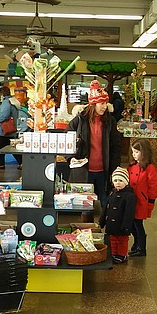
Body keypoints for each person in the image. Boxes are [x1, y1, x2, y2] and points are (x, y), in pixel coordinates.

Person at [67, 80, 121, 217]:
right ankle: (86, 232)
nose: (105, 107)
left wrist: (115, 168)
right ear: (93, 103)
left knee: (106, 203)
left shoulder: (110, 121)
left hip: (104, 170)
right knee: (85, 205)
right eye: (102, 103)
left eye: (106, 103)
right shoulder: (80, 120)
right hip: (84, 170)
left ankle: (108, 231)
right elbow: (67, 139)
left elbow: (115, 146)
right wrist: (70, 158)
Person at [127, 138, 157, 257]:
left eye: (136, 152)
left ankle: (141, 248)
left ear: (144, 152)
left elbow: (153, 187)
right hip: (131, 201)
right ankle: (136, 244)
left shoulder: (150, 168)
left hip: (141, 202)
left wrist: (151, 202)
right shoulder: (132, 166)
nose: (134, 155)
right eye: (133, 152)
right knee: (132, 225)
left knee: (138, 225)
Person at [99, 167, 136, 264]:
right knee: (113, 239)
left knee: (122, 240)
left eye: (120, 180)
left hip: (122, 224)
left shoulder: (130, 196)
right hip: (111, 223)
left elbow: (129, 213)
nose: (118, 183)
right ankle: (114, 253)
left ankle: (121, 255)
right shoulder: (112, 193)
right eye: (115, 180)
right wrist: (102, 221)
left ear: (126, 182)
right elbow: (105, 209)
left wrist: (126, 226)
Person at [0, 86, 30, 169]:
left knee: (0, 148)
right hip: (11, 128)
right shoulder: (13, 101)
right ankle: (22, 162)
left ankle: (0, 164)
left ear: (2, 94)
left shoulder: (6, 103)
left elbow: (3, 115)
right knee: (12, 148)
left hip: (4, 130)